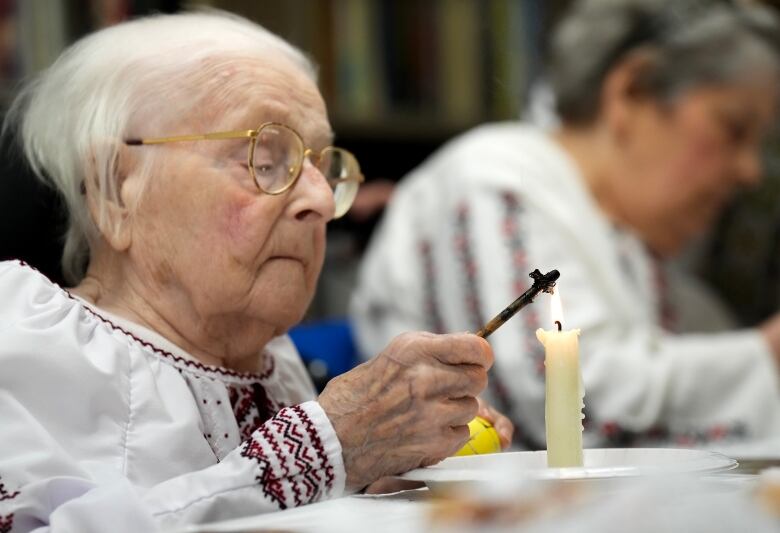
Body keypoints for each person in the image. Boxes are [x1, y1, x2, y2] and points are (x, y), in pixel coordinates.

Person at [0, 12, 513, 533]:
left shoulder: (276, 364)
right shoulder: (21, 341)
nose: (318, 199)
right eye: (265, 160)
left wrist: (389, 471)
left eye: (322, 167)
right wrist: (318, 450)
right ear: (114, 188)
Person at [352, 0, 780, 450]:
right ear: (629, 91)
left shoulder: (636, 253)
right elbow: (561, 414)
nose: (750, 170)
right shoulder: (495, 181)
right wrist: (767, 353)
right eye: (733, 128)